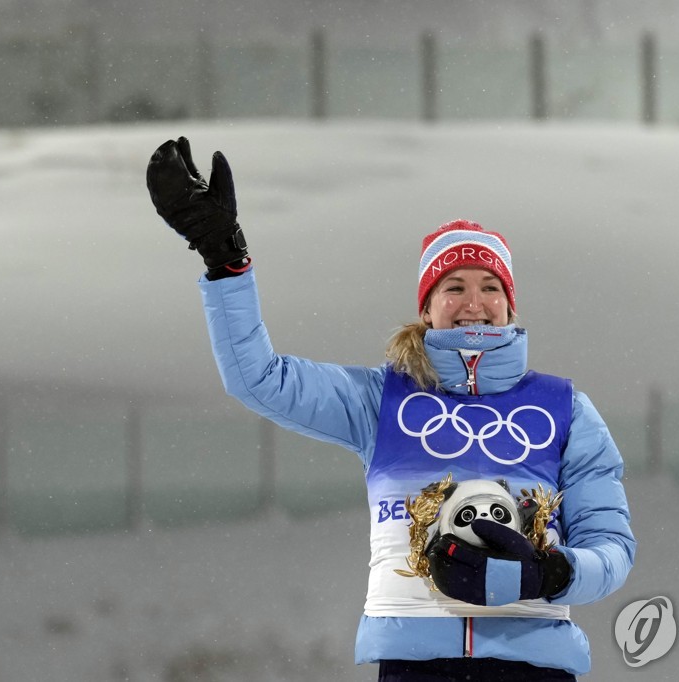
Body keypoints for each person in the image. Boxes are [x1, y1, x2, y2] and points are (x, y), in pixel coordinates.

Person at [146, 137, 636, 681]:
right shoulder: (381, 399)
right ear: (426, 308)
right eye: (454, 287)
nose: (474, 302)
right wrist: (225, 260)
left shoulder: (566, 410)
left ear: (509, 304)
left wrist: (550, 573)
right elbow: (259, 378)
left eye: (490, 286)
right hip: (414, 667)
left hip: (534, 668)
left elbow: (611, 549)